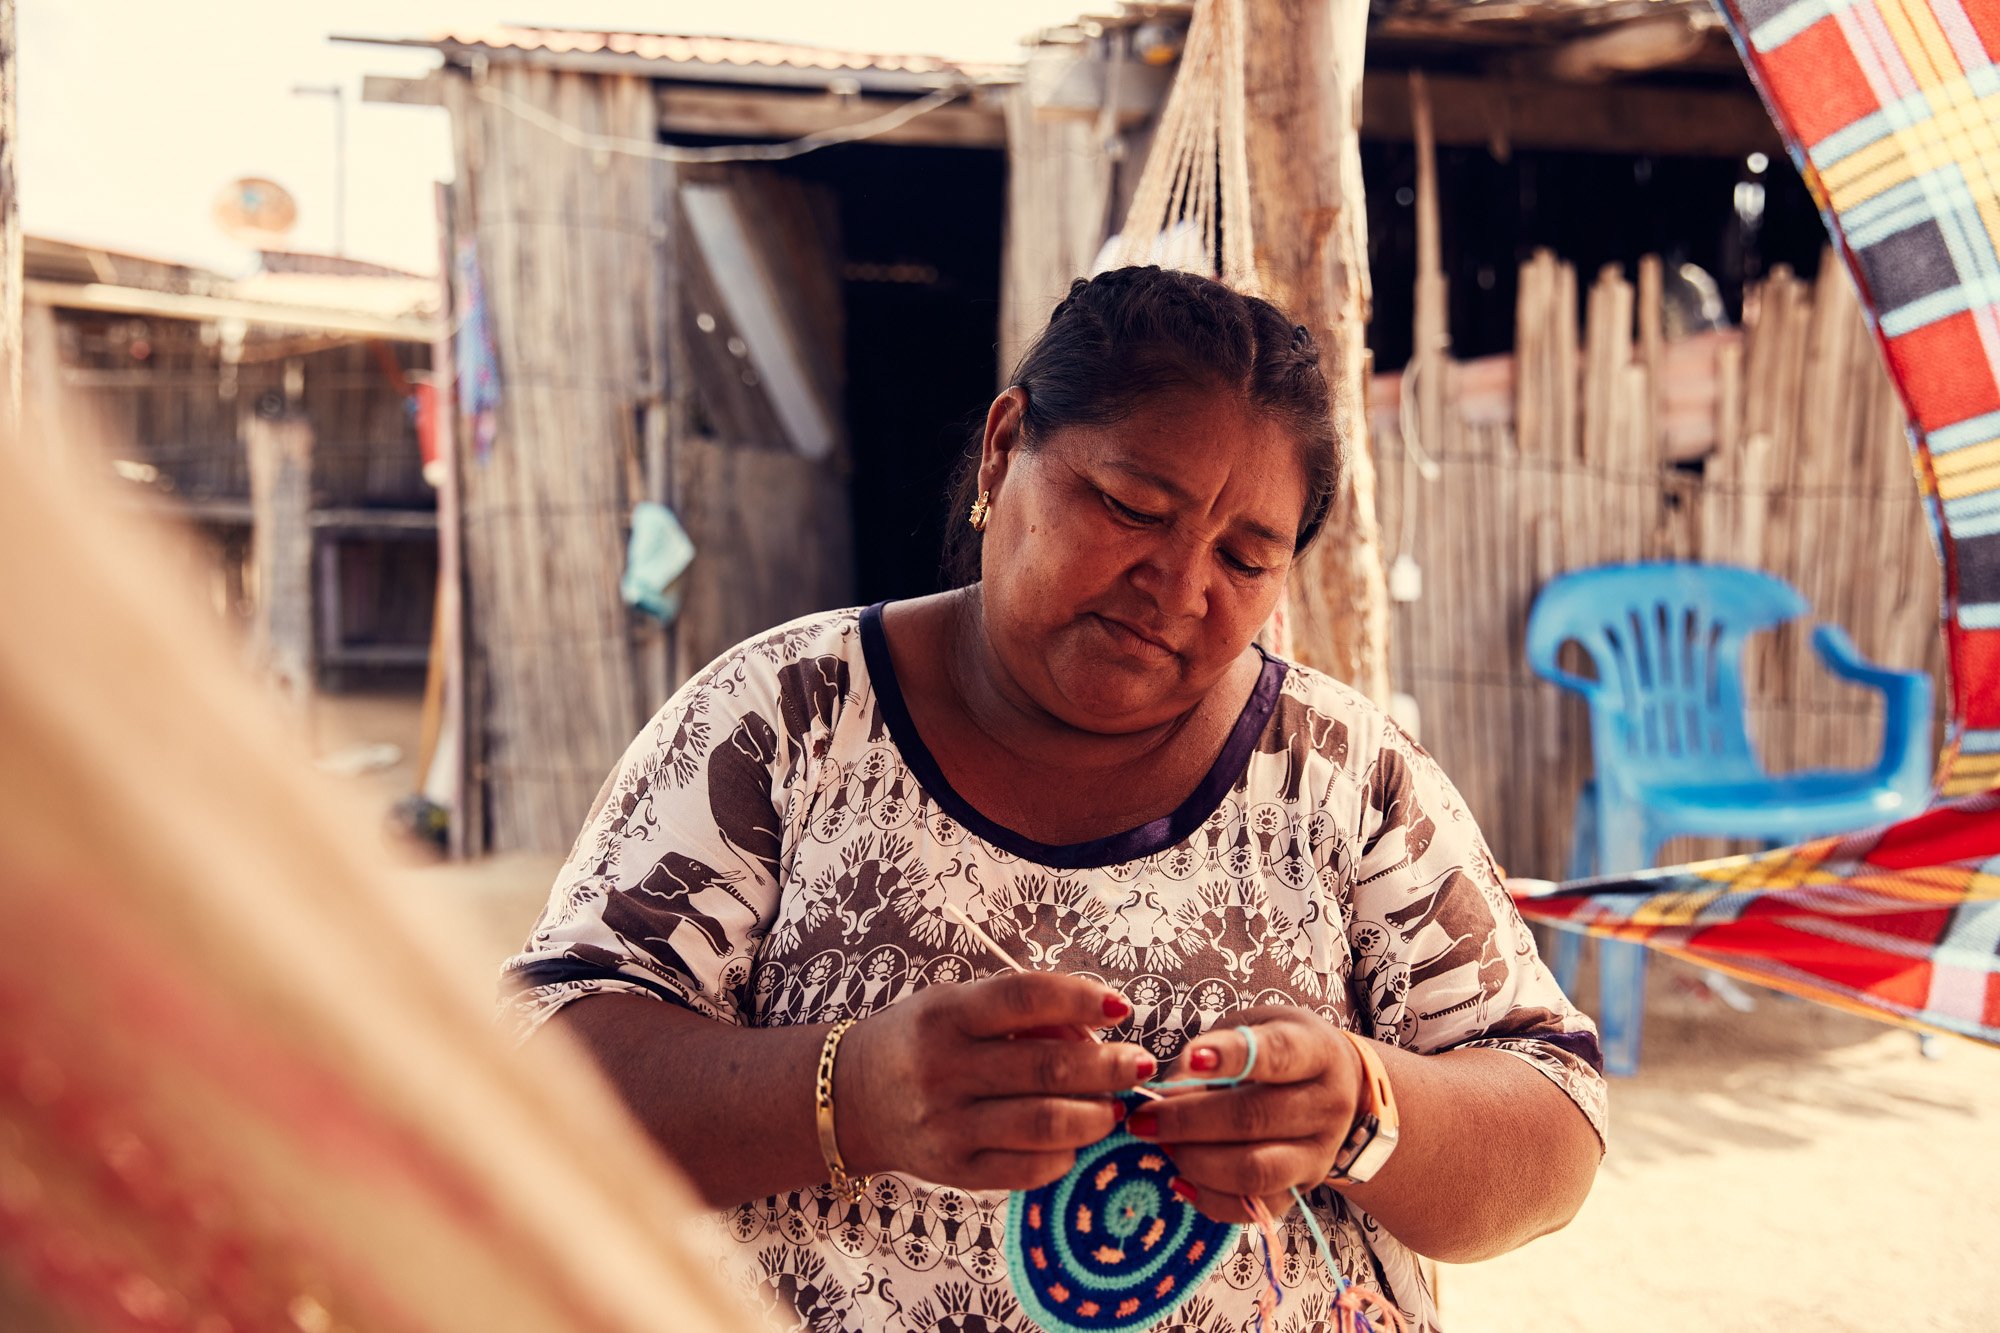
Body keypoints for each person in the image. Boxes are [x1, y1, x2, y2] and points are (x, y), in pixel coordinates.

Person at [503, 266, 1605, 1333]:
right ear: (1002, 449)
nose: (1177, 587)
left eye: (1244, 557)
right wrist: (851, 1093)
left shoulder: (1341, 776)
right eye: (1130, 507)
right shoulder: (787, 720)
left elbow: (1555, 1129)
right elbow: (537, 1068)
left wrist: (1365, 1106)